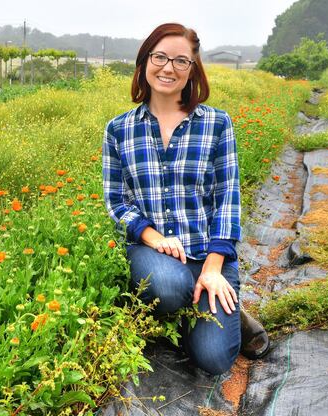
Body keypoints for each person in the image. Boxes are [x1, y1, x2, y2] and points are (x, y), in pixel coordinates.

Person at [102, 23, 269, 375]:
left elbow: (228, 197)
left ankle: (223, 307)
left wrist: (212, 268)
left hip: (208, 255)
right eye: (160, 57)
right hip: (154, 254)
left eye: (181, 61)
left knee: (213, 359)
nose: (168, 68)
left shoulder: (217, 124)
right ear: (145, 61)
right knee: (169, 286)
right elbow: (116, 201)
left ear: (192, 69)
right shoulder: (119, 129)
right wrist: (154, 238)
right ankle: (182, 301)